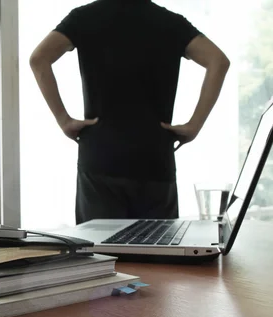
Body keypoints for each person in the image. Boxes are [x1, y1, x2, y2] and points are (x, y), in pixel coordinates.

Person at [29, 0, 230, 224]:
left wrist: (64, 120)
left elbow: (38, 59)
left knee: (102, 256)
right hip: (154, 157)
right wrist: (194, 125)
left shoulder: (83, 17)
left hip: (100, 157)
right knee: (157, 254)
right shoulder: (171, 23)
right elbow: (218, 61)